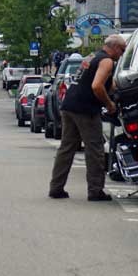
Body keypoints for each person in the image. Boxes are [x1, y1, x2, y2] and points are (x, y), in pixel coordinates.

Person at [49, 34, 126, 202]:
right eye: (122, 50)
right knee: (95, 150)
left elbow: (101, 82)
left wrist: (117, 88)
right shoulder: (107, 61)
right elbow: (96, 85)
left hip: (69, 105)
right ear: (114, 47)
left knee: (66, 148)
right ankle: (96, 190)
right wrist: (109, 104)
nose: (122, 54)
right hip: (85, 109)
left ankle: (56, 187)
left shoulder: (91, 57)